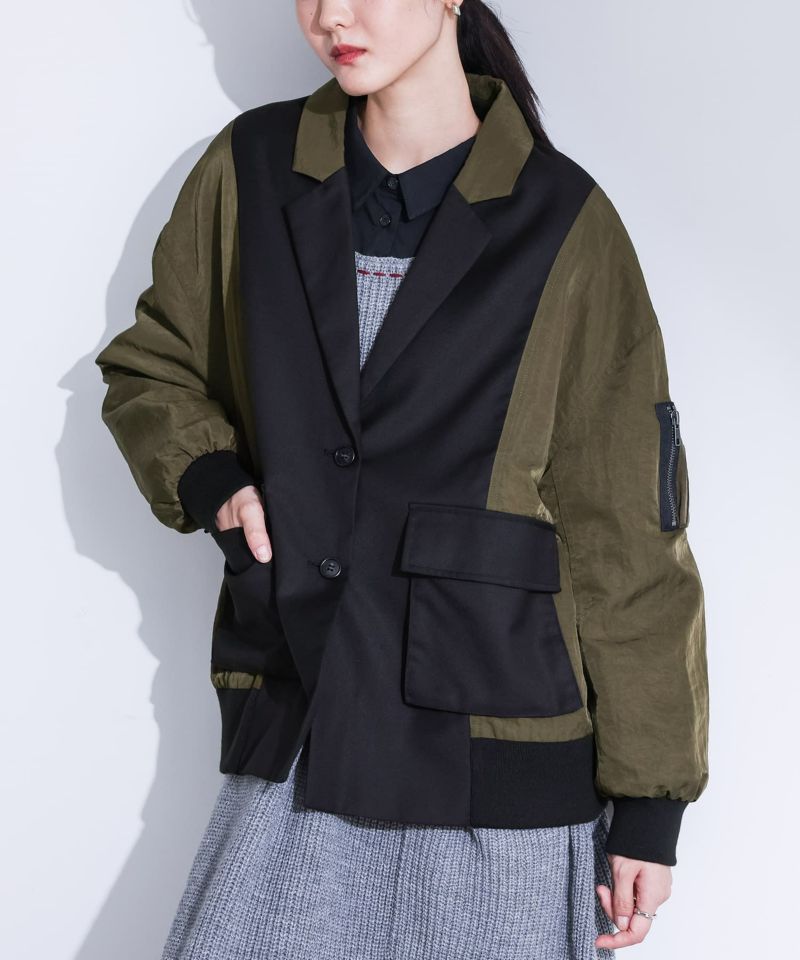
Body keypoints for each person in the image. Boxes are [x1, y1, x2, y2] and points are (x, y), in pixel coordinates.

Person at [94, 1, 710, 957]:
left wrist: (649, 803)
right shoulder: (252, 168)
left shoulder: (563, 220)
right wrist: (215, 480)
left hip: (498, 768)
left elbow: (627, 529)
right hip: (302, 727)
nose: (331, 16)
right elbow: (154, 364)